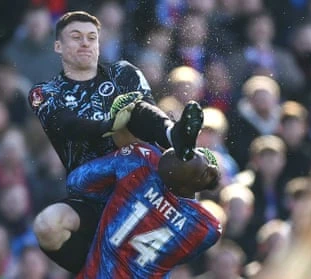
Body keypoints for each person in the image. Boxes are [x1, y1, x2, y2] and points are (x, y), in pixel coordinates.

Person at [31, 11, 204, 273]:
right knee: (46, 226)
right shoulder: (44, 92)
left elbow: (145, 117)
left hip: (141, 190)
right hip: (92, 196)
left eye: (92, 38)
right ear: (58, 46)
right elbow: (67, 125)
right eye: (75, 37)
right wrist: (110, 125)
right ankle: (98, 271)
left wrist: (126, 123)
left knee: (134, 111)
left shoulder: (122, 73)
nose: (85, 43)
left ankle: (176, 135)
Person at [66, 128, 222, 278]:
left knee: (52, 225)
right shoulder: (205, 227)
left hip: (95, 271)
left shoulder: (142, 162)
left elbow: (76, 182)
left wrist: (114, 198)